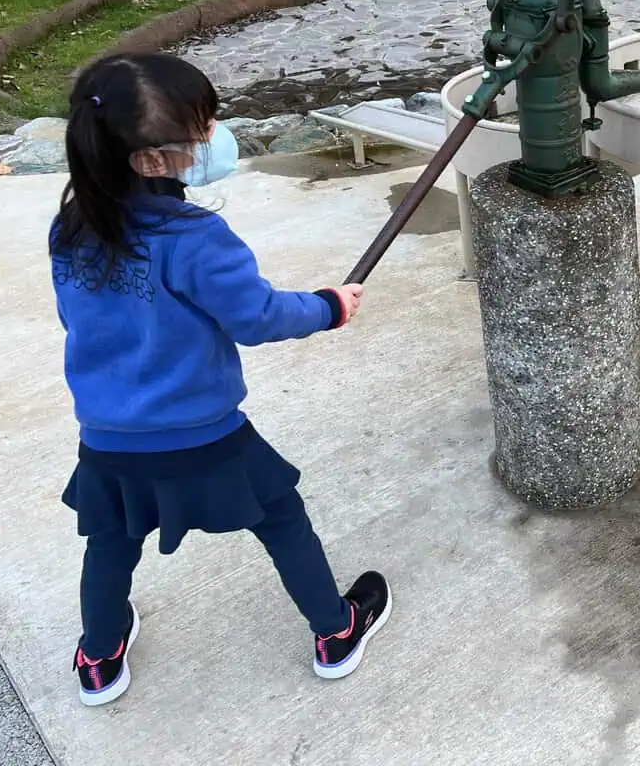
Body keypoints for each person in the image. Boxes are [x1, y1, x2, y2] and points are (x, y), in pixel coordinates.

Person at [51, 54, 390, 707]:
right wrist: (327, 306)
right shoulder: (197, 238)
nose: (210, 138)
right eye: (200, 130)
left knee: (111, 542)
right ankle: (335, 631)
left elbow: (78, 319)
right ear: (151, 160)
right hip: (204, 434)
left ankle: (97, 658)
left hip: (108, 438)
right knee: (282, 517)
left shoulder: (69, 230)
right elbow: (257, 317)